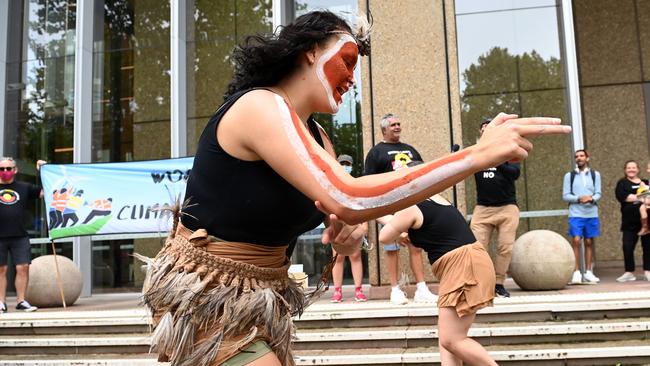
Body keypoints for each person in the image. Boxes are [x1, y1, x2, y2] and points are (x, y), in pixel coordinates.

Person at [138, 10, 569, 366]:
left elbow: (347, 207)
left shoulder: (318, 137)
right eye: (346, 61)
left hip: (260, 296)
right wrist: (476, 155)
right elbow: (349, 196)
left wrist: (349, 235)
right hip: (209, 294)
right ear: (309, 54)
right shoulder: (259, 106)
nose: (351, 78)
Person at [378, 191, 497, 365]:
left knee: (452, 340)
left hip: (462, 265)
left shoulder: (411, 207)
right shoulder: (435, 199)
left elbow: (384, 236)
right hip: (466, 263)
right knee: (447, 339)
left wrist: (372, 212)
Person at [364, 113, 437, 305]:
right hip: (390, 207)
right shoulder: (376, 152)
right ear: (384, 129)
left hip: (414, 206)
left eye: (398, 124)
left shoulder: (410, 150)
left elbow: (423, 173)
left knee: (416, 246)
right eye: (393, 125)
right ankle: (395, 290)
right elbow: (368, 182)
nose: (397, 127)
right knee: (392, 247)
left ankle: (422, 288)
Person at [470, 118, 521, 298]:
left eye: (489, 127)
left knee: (505, 248)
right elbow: (459, 169)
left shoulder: (508, 150)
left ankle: (499, 284)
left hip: (507, 208)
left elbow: (515, 173)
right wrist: (455, 156)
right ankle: (482, 284)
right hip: (483, 209)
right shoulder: (476, 152)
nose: (486, 130)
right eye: (483, 128)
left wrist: (497, 157)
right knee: (476, 248)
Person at [0, 157, 45, 314]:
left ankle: (21, 301)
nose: (5, 172)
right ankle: (1, 302)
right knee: (1, 269)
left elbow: (43, 193)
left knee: (23, 267)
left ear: (15, 170)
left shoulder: (24, 187)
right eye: (2, 169)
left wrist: (43, 172)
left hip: (20, 235)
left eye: (9, 168)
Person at [330, 154, 367, 303]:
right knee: (337, 258)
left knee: (355, 256)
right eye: (342, 164)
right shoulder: (332, 186)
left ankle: (358, 290)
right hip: (338, 225)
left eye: (347, 164)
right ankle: (337, 291)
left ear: (351, 166)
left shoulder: (357, 185)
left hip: (355, 224)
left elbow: (363, 207)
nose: (345, 167)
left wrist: (364, 226)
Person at [562, 149, 602, 284]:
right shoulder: (569, 175)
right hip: (576, 213)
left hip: (591, 213)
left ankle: (589, 272)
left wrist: (590, 198)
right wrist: (579, 199)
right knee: (576, 240)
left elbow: (599, 193)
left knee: (589, 242)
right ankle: (576, 272)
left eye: (581, 156)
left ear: (587, 158)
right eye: (577, 156)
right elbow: (566, 195)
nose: (579, 158)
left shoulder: (595, 175)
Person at [614, 160, 650, 282]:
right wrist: (643, 197)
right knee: (627, 246)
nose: (631, 170)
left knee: (648, 247)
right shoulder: (622, 183)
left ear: (638, 169)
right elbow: (624, 197)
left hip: (646, 220)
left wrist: (639, 197)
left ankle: (648, 271)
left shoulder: (645, 182)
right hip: (629, 221)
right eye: (629, 168)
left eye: (634, 167)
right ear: (625, 170)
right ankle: (629, 272)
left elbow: (648, 199)